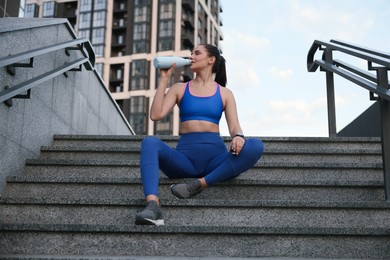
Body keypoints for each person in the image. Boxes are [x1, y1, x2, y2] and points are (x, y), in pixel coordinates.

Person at [135, 44, 264, 226]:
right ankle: (152, 205)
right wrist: (164, 79)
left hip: (215, 162)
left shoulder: (225, 93)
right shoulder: (179, 88)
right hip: (184, 161)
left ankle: (199, 184)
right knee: (149, 142)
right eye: (191, 53)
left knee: (256, 145)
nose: (191, 57)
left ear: (211, 59)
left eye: (197, 53)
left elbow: (235, 126)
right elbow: (156, 115)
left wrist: (238, 137)